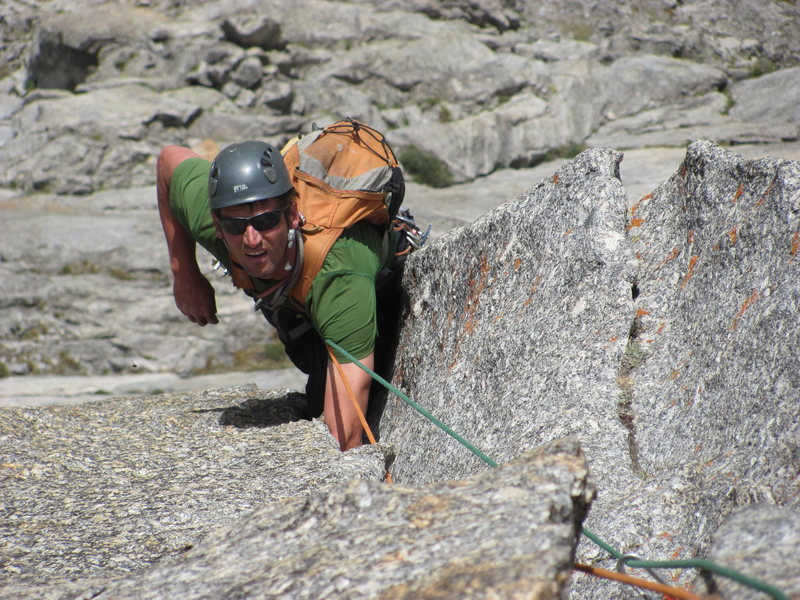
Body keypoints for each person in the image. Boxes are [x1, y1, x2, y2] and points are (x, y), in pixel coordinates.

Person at [156, 138, 402, 450]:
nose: (251, 239)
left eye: (266, 220)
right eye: (235, 225)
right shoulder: (215, 221)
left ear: (292, 214)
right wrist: (185, 273)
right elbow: (168, 160)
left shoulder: (340, 276)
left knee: (324, 407)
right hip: (293, 293)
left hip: (367, 294)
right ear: (217, 225)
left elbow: (344, 438)